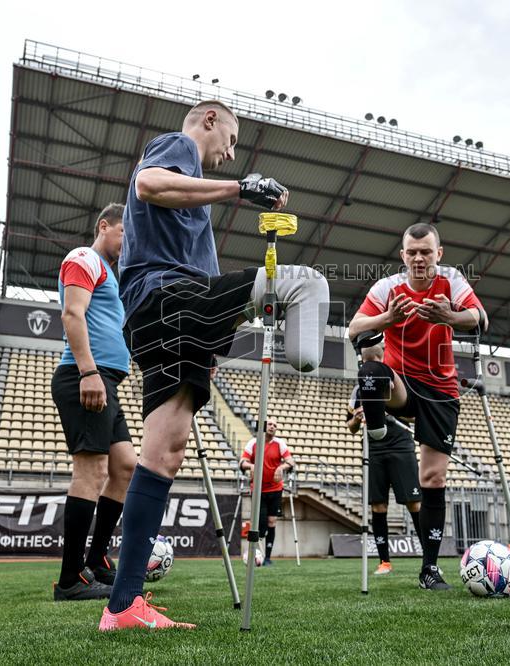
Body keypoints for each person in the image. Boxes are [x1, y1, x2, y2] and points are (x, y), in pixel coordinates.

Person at [99, 100, 329, 631]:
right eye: (231, 137)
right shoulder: (179, 147)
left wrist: (213, 340)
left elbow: (204, 269)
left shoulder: (196, 196)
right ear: (209, 121)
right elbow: (148, 185)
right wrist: (240, 188)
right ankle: (303, 343)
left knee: (163, 453)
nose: (231, 151)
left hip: (173, 319)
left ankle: (123, 606)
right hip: (167, 296)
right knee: (307, 282)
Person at [347, 222, 486, 591]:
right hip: (402, 386)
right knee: (372, 372)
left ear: (438, 254)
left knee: (433, 479)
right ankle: (376, 426)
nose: (419, 258)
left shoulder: (451, 280)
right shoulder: (388, 288)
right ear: (403, 255)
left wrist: (449, 317)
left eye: (426, 251)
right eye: (412, 252)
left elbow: (479, 317)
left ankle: (429, 569)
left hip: (441, 390)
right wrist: (388, 318)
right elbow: (354, 328)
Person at [50, 203, 136, 601]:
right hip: (86, 377)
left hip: (106, 380)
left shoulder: (112, 278)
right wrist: (88, 372)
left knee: (125, 467)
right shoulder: (83, 257)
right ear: (105, 226)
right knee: (92, 471)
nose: (127, 243)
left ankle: (98, 560)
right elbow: (72, 314)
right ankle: (70, 580)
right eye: (124, 233)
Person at [346, 340, 422, 576]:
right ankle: (384, 562)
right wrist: (358, 419)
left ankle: (429, 560)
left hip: (401, 445)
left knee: (414, 503)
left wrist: (388, 411)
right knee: (378, 506)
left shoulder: (399, 381)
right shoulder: (360, 389)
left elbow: (413, 417)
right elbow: (350, 427)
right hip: (374, 448)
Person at [239, 419, 295, 566]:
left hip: (275, 489)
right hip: (258, 490)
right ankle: (256, 553)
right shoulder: (253, 443)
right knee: (261, 525)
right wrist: (251, 466)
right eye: (270, 424)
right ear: (264, 427)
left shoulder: (280, 444)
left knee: (272, 522)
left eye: (275, 425)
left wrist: (281, 468)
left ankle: (268, 558)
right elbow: (242, 462)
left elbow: (291, 462)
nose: (273, 427)